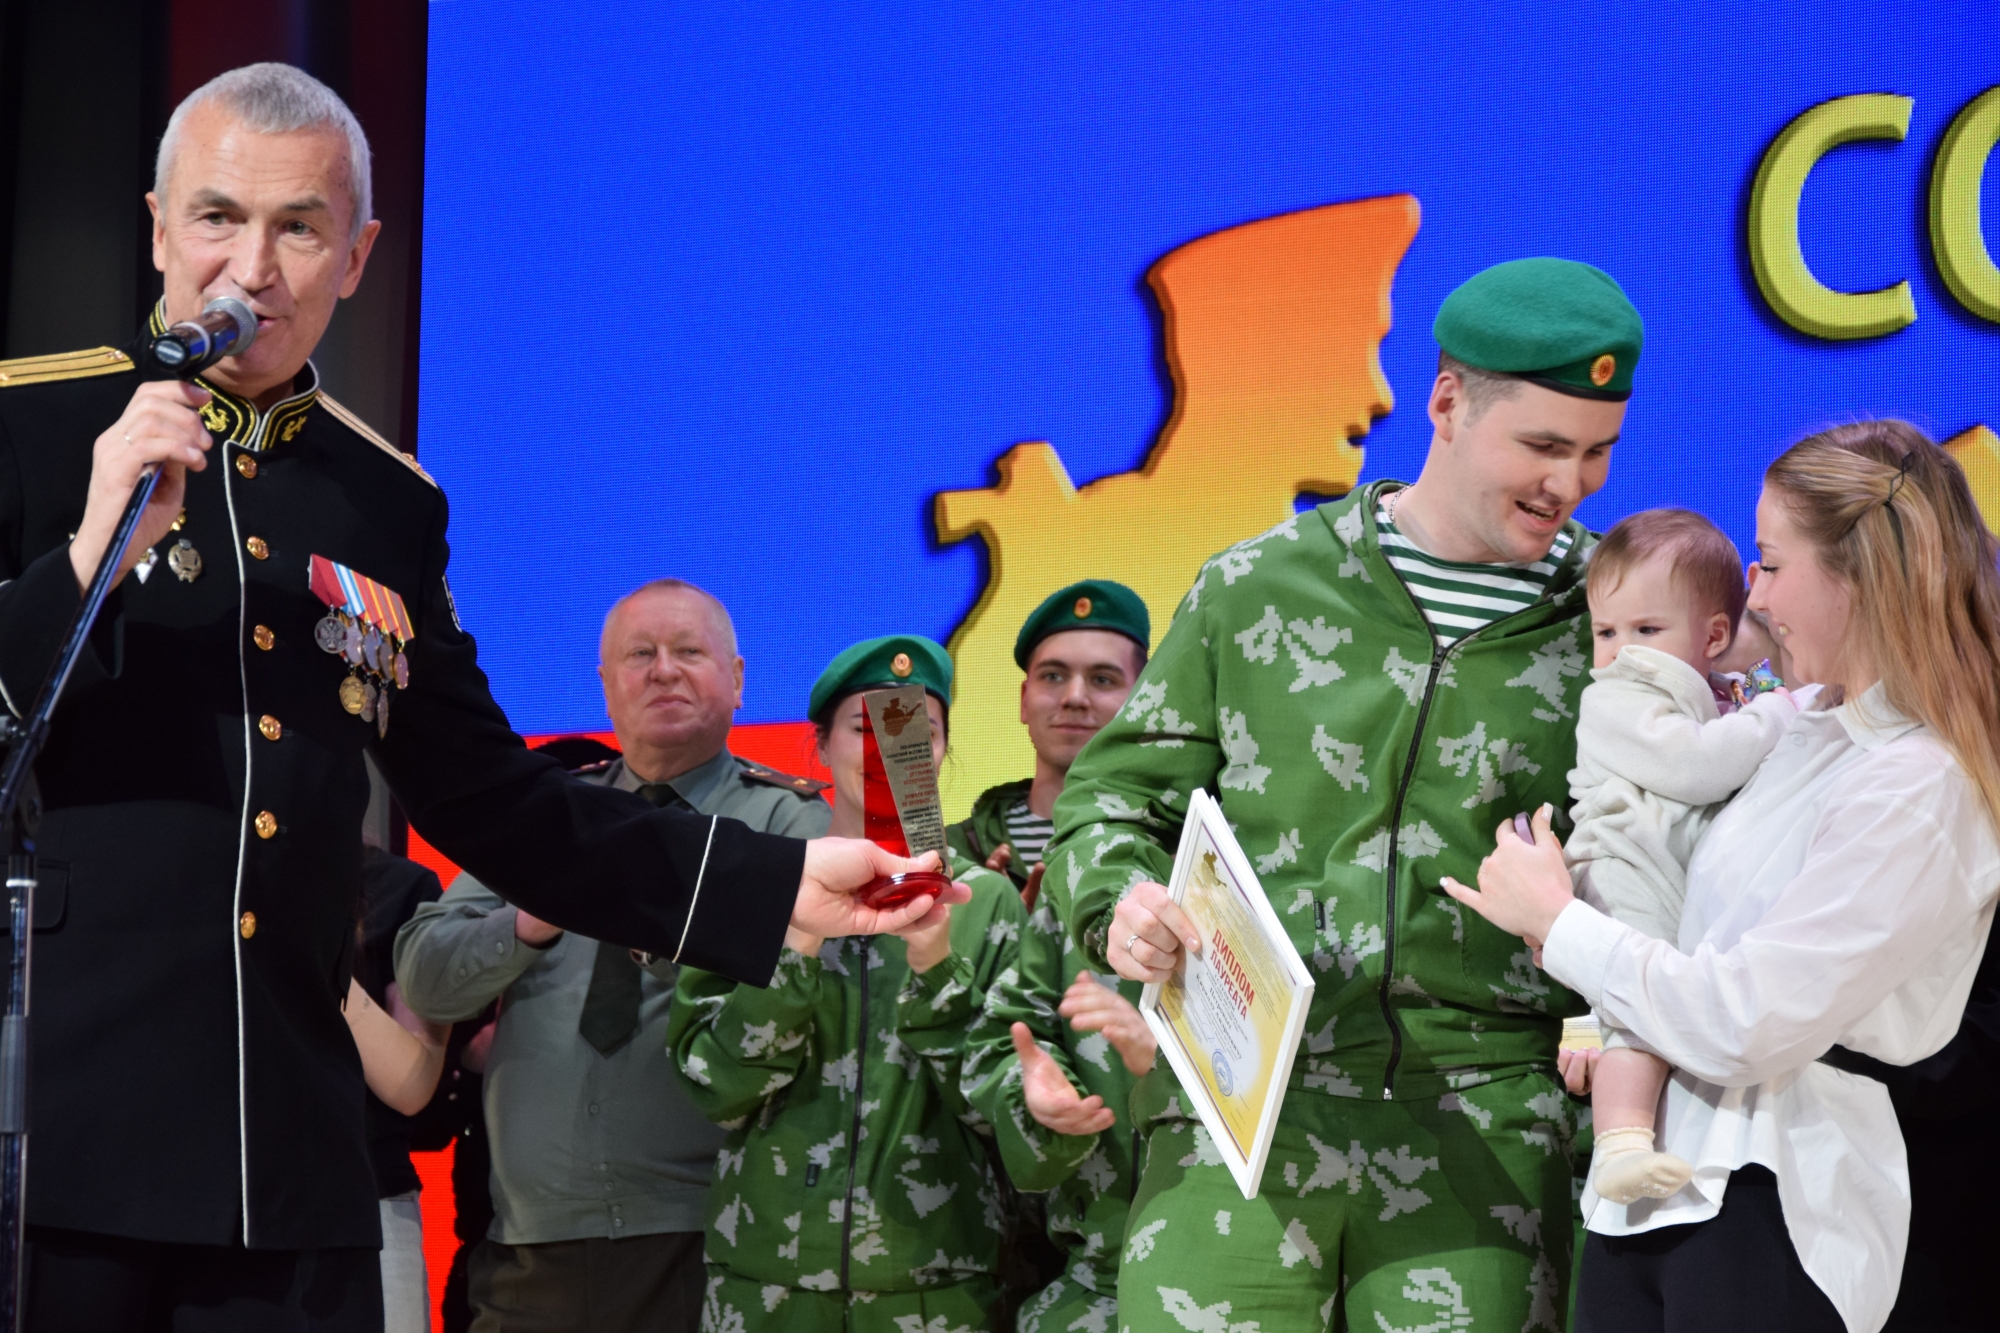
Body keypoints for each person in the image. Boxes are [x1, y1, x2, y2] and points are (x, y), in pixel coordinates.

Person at [0, 63, 946, 1331]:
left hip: (284, 1167)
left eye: (300, 227)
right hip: (56, 1145)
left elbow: (499, 800)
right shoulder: (34, 423)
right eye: (219, 217)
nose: (252, 269)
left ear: (357, 255)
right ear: (159, 226)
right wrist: (83, 557)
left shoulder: (386, 501)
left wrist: (771, 884)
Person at [1045, 257, 1643, 1330]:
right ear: (1447, 402)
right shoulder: (1256, 584)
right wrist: (1120, 902)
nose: (1571, 483)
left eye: (1596, 451)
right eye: (1543, 446)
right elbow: (1110, 798)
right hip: (1243, 1109)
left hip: (1486, 1127)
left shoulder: (1611, 622)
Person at [1443, 420, 2000, 1333]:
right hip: (1651, 1189)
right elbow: (1691, 928)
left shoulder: (1919, 781)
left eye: (1772, 565)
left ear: (1860, 578)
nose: (1756, 595)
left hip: (1778, 1193)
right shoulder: (1803, 729)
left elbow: (1749, 1019)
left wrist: (1562, 923)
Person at [394, 580, 830, 1333]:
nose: (664, 670)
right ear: (605, 685)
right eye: (640, 654)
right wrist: (531, 918)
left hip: (717, 1235)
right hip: (531, 1248)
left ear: (737, 680)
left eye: (688, 651)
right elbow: (426, 977)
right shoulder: (545, 820)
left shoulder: (789, 825)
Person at [667, 636, 1024, 1331]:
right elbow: (714, 1088)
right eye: (867, 727)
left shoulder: (986, 904)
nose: (892, 749)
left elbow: (1005, 1117)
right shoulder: (748, 888)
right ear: (821, 747)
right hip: (765, 1291)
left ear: (944, 750)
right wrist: (797, 940)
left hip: (934, 1292)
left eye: (917, 731)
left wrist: (938, 969)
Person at [1563, 508, 1797, 1204]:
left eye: (1646, 631)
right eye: (1606, 632)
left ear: (1714, 636)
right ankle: (1621, 1145)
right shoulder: (1615, 699)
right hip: (1623, 868)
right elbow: (1696, 767)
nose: (1620, 651)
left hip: (1663, 871)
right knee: (1640, 1013)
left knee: (1657, 1002)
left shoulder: (1703, 695)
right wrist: (1776, 713)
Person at [960, 903, 1156, 1333]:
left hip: (1235, 1291)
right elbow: (1004, 1039)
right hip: (1088, 1289)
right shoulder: (1076, 886)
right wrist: (1034, 1098)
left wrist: (1170, 1068)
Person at [946, 581, 1149, 892]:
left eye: (1102, 679)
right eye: (1053, 676)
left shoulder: (1178, 853)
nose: (1074, 697)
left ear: (1140, 702)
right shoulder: (949, 857)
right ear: (1024, 700)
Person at [347, 846, 452, 1333]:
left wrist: (309, 942)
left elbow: (413, 1085)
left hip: (369, 1201)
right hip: (227, 1204)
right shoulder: (205, 884)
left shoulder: (403, 889)